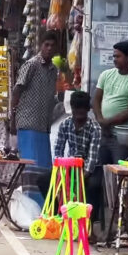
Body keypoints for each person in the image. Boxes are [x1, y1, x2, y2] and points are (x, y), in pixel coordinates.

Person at [36, 90, 103, 233]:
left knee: (93, 186)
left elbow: (92, 158)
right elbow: (58, 150)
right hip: (69, 166)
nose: (78, 115)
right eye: (75, 110)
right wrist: (61, 174)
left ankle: (88, 225)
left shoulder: (95, 128)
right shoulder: (65, 124)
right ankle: (57, 214)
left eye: (82, 111)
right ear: (71, 109)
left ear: (87, 110)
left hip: (89, 169)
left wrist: (79, 178)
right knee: (43, 180)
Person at [12, 30, 60, 204]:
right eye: (46, 45)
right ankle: (29, 206)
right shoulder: (31, 65)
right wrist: (12, 118)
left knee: (44, 168)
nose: (49, 48)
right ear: (41, 46)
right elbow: (17, 90)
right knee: (31, 168)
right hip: (27, 122)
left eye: (52, 46)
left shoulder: (54, 70)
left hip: (43, 126)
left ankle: (43, 207)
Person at [93, 41, 128, 167]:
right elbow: (96, 100)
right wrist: (101, 121)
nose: (114, 59)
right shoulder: (106, 75)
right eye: (114, 56)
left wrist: (107, 123)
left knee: (119, 172)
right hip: (102, 133)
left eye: (118, 56)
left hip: (120, 138)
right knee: (99, 170)